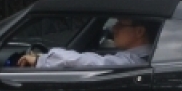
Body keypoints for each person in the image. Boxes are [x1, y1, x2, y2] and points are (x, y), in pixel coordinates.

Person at [15, 17, 153, 69]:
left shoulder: (132, 62)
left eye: (120, 24)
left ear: (139, 31)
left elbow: (90, 62)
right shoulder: (148, 55)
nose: (114, 28)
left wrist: (41, 60)